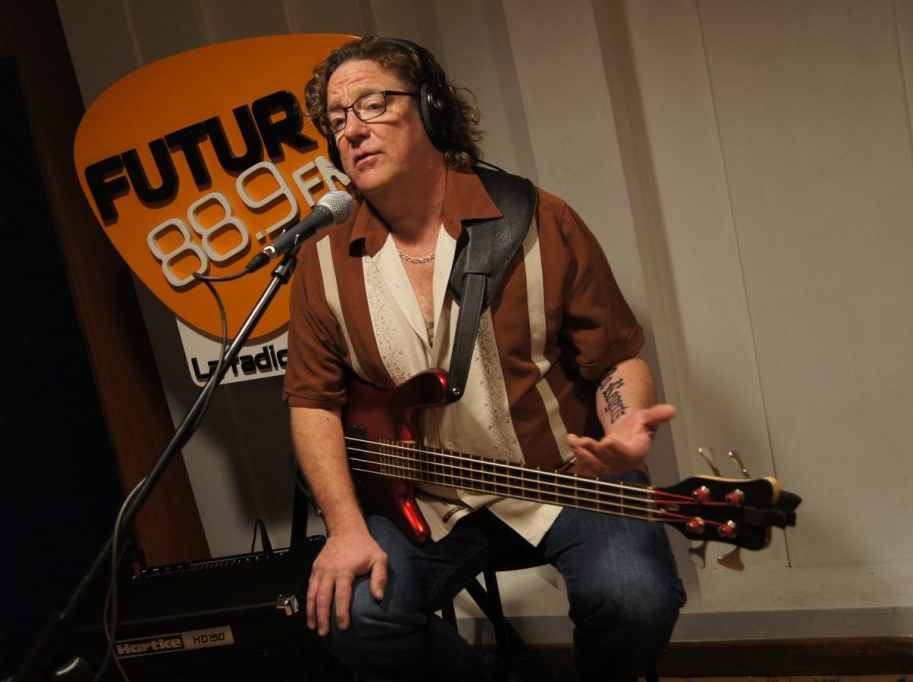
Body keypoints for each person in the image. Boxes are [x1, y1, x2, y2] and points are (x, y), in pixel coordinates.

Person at [282, 36, 686, 681]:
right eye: (337, 119)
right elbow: (313, 403)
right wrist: (345, 526)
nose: (352, 130)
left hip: (562, 481)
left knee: (635, 600)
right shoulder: (320, 261)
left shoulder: (540, 220)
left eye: (374, 104)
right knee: (351, 615)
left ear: (433, 110)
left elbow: (616, 359)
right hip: (425, 498)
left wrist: (624, 428)